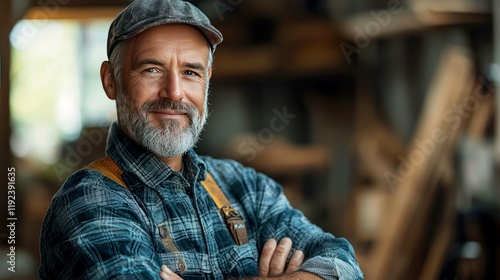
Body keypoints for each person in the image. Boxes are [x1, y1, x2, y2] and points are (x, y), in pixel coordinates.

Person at [38, 0, 363, 279]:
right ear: (111, 81)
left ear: (207, 81)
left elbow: (343, 264)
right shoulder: (89, 201)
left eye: (191, 72)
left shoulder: (246, 187)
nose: (175, 93)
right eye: (152, 69)